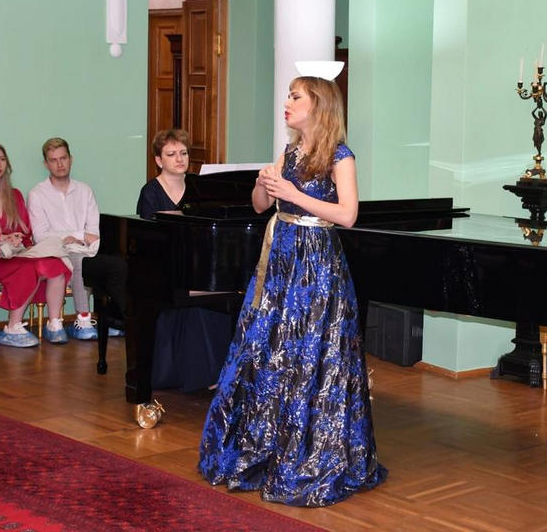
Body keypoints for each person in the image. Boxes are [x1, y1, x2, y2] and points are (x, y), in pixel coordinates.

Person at [198, 75, 386, 506]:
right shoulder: (290, 151)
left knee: (308, 351)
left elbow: (348, 215)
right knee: (267, 348)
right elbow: (261, 206)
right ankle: (262, 448)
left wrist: (293, 193)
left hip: (316, 263)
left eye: (295, 96)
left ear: (317, 104)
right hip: (280, 259)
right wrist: (264, 185)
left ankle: (308, 455)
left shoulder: (340, 155)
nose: (287, 101)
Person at [136, 129, 232, 392]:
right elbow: (149, 240)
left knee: (223, 294)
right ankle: (204, 374)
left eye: (183, 153)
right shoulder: (151, 192)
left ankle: (225, 372)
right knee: (198, 298)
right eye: (171, 154)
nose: (179, 159)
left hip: (198, 265)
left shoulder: (200, 188)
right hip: (166, 268)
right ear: (159, 160)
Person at [0, 142, 70, 348]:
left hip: (14, 253)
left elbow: (26, 231)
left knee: (55, 264)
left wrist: (17, 239)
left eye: (2, 159)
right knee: (26, 268)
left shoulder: (14, 195)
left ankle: (54, 323)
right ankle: (12, 327)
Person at [27, 138, 128, 343]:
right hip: (56, 251)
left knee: (117, 261)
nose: (60, 164)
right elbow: (41, 235)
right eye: (53, 160)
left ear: (71, 159)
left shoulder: (84, 190)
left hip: (87, 247)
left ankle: (115, 319)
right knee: (82, 262)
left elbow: (94, 231)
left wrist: (77, 236)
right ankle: (83, 320)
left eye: (63, 158)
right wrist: (71, 237)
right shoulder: (37, 194)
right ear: (46, 164)